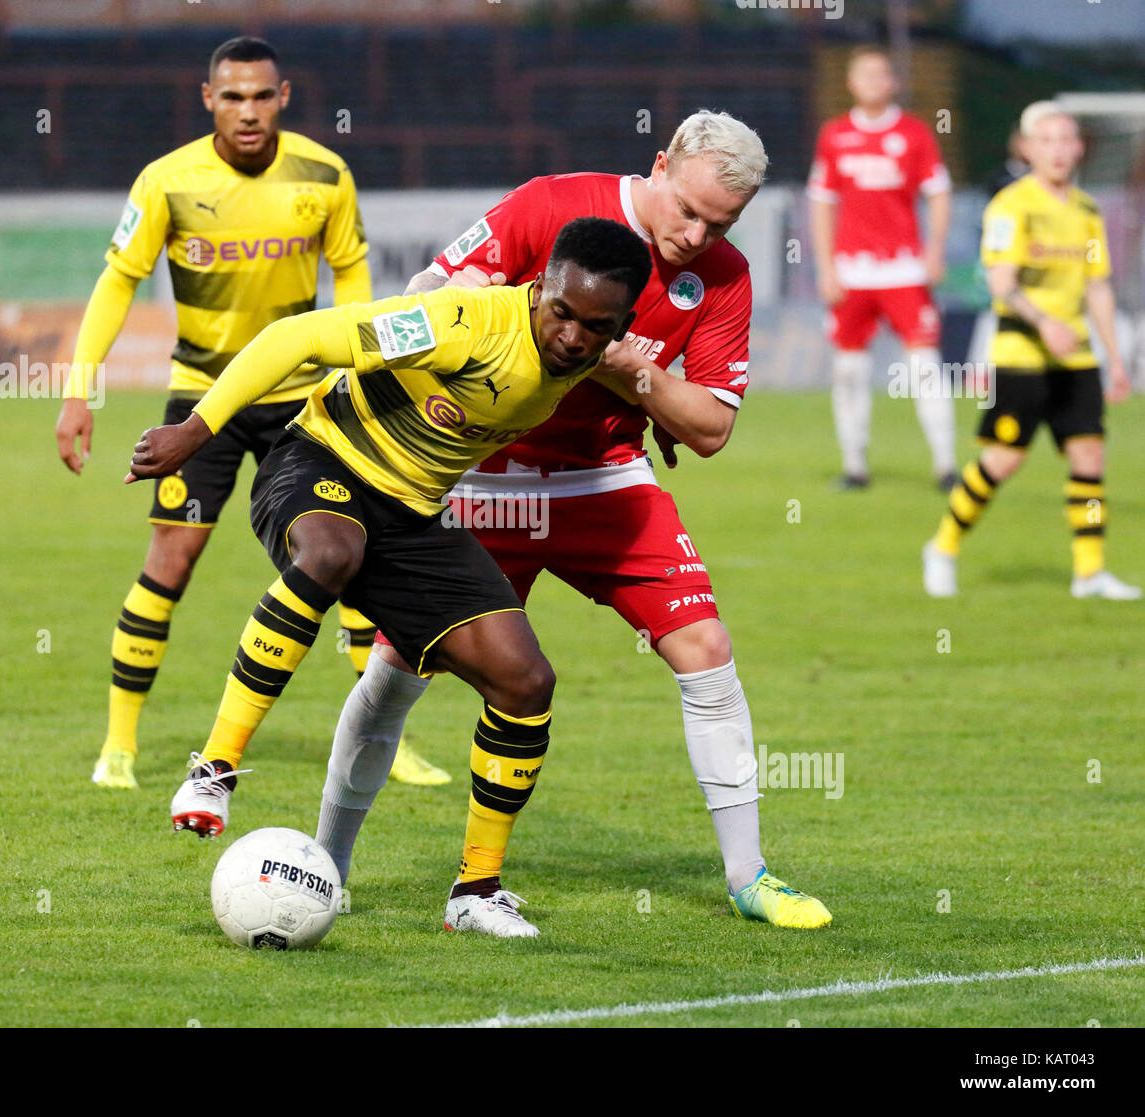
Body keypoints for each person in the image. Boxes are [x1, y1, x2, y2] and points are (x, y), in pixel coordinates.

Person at [314, 110, 832, 931]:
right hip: (485, 483)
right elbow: (420, 296)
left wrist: (638, 373)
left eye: (721, 223)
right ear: (659, 164)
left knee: (707, 648)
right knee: (397, 670)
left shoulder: (725, 278)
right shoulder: (549, 206)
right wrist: (454, 300)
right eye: (689, 210)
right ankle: (327, 868)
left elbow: (709, 429)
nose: (698, 235)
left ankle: (749, 875)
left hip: (606, 485)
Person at [127, 217, 653, 938]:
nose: (570, 336)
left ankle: (475, 890)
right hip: (319, 463)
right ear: (540, 288)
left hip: (412, 519)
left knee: (526, 680)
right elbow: (298, 339)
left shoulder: (589, 356)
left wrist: (654, 424)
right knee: (331, 554)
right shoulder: (461, 323)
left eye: (595, 327)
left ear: (618, 326)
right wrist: (197, 429)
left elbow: (618, 390)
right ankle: (212, 770)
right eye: (560, 312)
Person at [54, 36, 450, 790]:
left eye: (261, 96)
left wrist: (368, 376)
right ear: (208, 100)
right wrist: (80, 391)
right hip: (202, 399)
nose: (247, 111)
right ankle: (120, 744)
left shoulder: (324, 175)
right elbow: (117, 284)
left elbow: (354, 277)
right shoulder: (167, 181)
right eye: (232, 96)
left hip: (303, 398)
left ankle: (383, 744)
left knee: (352, 558)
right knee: (170, 560)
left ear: (285, 97)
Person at [922, 102, 1139, 600]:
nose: (1059, 151)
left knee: (1089, 458)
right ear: (1028, 148)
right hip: (1022, 353)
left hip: (1078, 358)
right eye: (1047, 141)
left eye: (1067, 141)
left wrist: (1116, 358)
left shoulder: (1086, 211)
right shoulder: (1012, 205)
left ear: (1080, 148)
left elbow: (1098, 287)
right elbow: (1002, 283)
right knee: (1004, 461)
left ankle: (1090, 571)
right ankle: (943, 545)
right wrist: (1046, 323)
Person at [808, 45, 956, 490]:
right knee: (849, 370)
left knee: (926, 367)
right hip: (852, 272)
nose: (874, 82)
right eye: (865, 75)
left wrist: (934, 252)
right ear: (852, 83)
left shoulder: (913, 134)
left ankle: (946, 467)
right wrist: (825, 267)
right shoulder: (834, 135)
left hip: (904, 270)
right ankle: (855, 466)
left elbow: (939, 193)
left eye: (882, 74)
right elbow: (821, 205)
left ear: (892, 82)